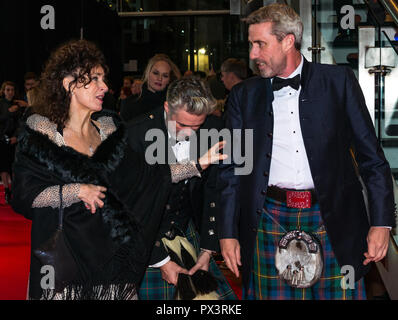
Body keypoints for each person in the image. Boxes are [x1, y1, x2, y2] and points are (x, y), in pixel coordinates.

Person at [11, 39, 226, 300]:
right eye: (95, 79)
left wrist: (196, 165)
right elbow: (24, 196)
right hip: (65, 266)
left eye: (104, 79)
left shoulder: (109, 128)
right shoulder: (41, 132)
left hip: (113, 264)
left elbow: (146, 178)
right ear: (69, 84)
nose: (105, 87)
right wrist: (76, 191)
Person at [218, 3, 395, 300]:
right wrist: (227, 231)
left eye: (260, 44)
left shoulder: (338, 82)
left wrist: (381, 222)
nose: (252, 54)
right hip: (268, 217)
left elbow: (372, 159)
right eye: (251, 45)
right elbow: (232, 170)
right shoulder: (242, 96)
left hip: (332, 219)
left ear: (288, 40)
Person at [127, 78, 237, 300]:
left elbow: (213, 191)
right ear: (167, 107)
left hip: (190, 235)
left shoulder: (213, 130)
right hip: (145, 242)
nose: (189, 133)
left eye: (196, 126)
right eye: (182, 125)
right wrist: (161, 260)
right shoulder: (135, 135)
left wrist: (207, 249)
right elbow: (128, 208)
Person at [120, 54, 181, 123]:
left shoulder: (174, 106)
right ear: (147, 73)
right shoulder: (129, 103)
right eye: (155, 73)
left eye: (165, 75)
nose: (159, 78)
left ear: (169, 80)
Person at [0, 81, 19, 203]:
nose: (10, 92)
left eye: (12, 90)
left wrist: (16, 137)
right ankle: (7, 190)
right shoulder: (1, 104)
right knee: (3, 166)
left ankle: (14, 191)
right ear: (3, 91)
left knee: (14, 166)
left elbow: (21, 123)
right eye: (8, 90)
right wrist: (9, 112)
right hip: (1, 138)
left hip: (15, 139)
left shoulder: (18, 104)